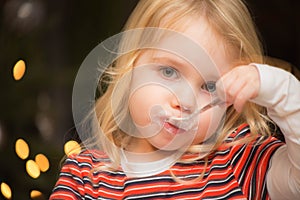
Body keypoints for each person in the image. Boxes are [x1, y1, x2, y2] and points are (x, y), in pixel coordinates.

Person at [50, 0, 300, 199]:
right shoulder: (84, 177)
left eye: (209, 86)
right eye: (169, 72)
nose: (185, 101)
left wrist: (280, 89)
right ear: (131, 64)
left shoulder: (240, 162)